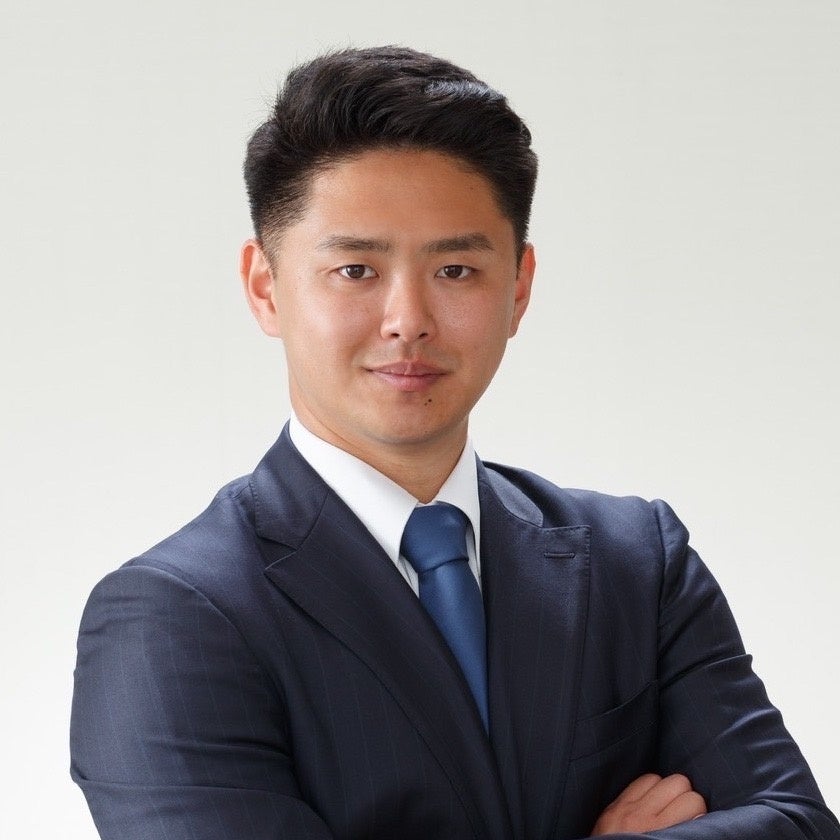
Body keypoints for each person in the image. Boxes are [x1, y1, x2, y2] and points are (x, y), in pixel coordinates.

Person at [70, 46, 838, 840]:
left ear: (519, 288)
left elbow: (796, 824)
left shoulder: (636, 564)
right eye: (356, 270)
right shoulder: (173, 616)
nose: (408, 320)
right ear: (266, 287)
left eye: (457, 270)